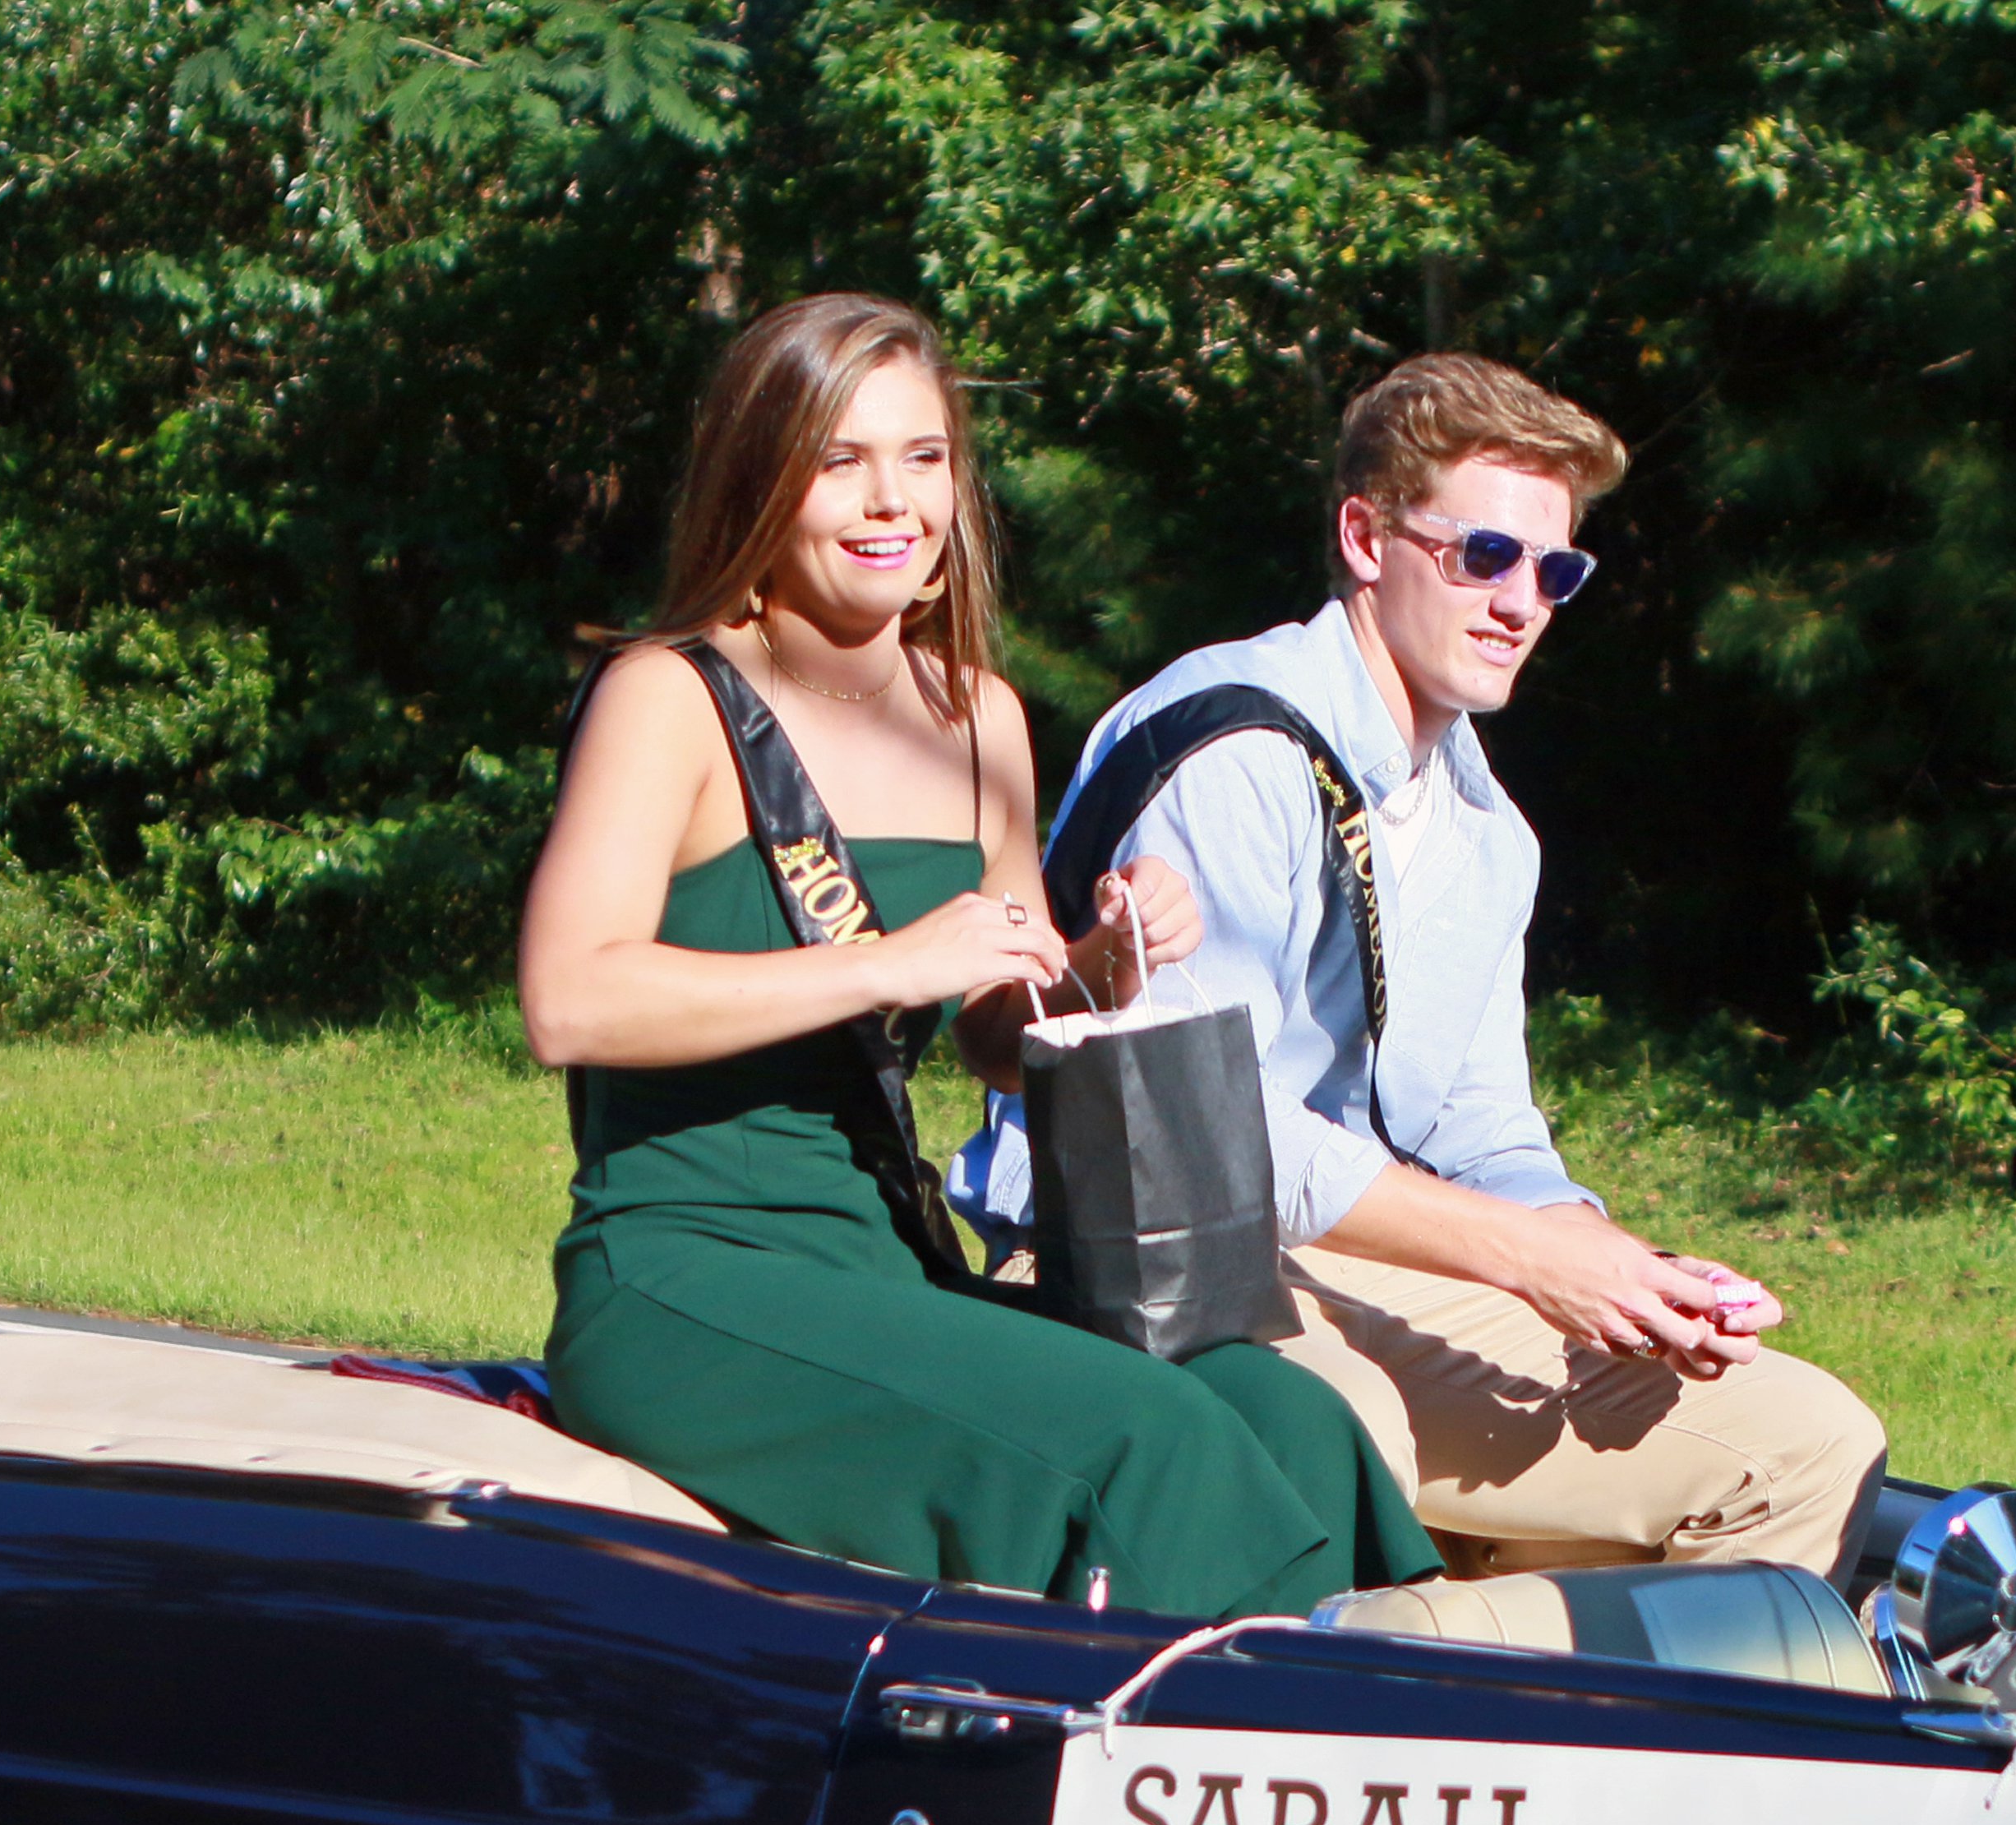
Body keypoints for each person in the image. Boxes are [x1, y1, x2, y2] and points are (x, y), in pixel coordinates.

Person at [517, 294, 1436, 1619]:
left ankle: (1359, 1739)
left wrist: (1099, 965)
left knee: (1280, 1413)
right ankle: (1156, 1773)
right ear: (760, 479)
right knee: (1148, 1443)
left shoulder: (977, 718)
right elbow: (570, 999)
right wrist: (890, 963)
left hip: (887, 1265)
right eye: (841, 461)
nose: (893, 500)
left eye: (926, 456)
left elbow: (1001, 1030)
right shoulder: (669, 693)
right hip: (685, 1280)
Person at [1010, 354, 1889, 1580]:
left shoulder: (1490, 834)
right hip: (1146, 1259)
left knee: (1808, 1444)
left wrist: (1618, 1269)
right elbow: (1197, 1136)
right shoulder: (1235, 744)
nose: (1522, 601)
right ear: (1365, 539)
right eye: (1485, 555)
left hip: (1369, 1261)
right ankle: (1412, 1726)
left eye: (1557, 570)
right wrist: (1526, 1260)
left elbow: (1484, 1127)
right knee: (1335, 1431)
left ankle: (1599, 1753)